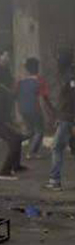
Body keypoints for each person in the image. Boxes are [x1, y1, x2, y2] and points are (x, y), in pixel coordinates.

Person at [45, 49, 75, 192]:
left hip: (67, 118)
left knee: (57, 147)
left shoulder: (69, 76)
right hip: (66, 118)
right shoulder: (67, 75)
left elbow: (70, 99)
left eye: (57, 60)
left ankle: (55, 181)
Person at [16, 58, 54, 160]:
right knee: (39, 131)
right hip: (35, 108)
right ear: (37, 67)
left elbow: (16, 95)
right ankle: (32, 152)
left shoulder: (21, 81)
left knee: (30, 131)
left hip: (23, 109)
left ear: (27, 69)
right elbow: (44, 98)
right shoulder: (40, 80)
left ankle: (20, 142)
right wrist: (50, 111)